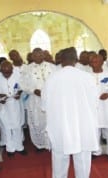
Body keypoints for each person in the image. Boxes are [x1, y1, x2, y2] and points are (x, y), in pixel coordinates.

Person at [41, 47, 100, 178]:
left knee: (59, 160)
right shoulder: (87, 77)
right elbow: (95, 103)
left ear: (61, 60)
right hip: (83, 125)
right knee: (83, 160)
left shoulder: (51, 79)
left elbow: (44, 106)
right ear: (76, 60)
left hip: (60, 127)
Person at [19, 47, 56, 151]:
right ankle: (39, 144)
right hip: (35, 100)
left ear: (43, 55)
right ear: (32, 56)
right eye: (35, 55)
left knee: (50, 121)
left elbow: (57, 82)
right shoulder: (27, 69)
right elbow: (22, 84)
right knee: (36, 122)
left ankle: (51, 143)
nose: (38, 57)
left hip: (50, 100)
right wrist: (33, 90)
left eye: (40, 54)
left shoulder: (53, 67)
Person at [0, 61, 27, 157]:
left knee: (17, 126)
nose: (7, 74)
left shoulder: (18, 75)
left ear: (12, 69)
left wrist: (19, 93)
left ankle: (19, 147)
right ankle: (10, 149)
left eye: (9, 72)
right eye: (5, 72)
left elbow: (22, 87)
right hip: (3, 105)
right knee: (6, 127)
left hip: (15, 104)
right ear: (0, 70)